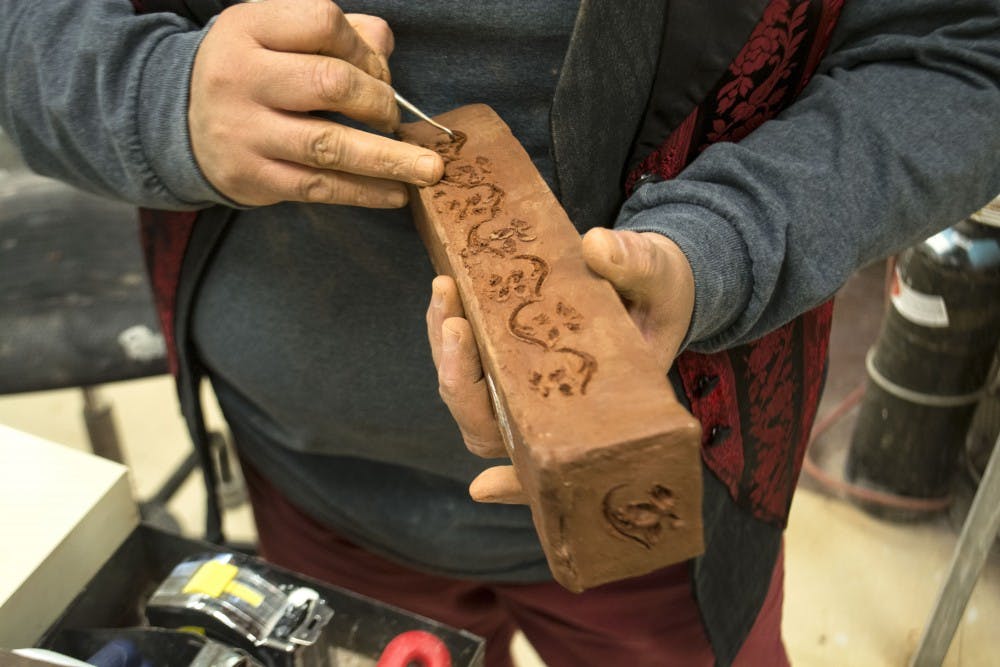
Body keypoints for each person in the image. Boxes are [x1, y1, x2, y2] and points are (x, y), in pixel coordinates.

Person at [2, 0, 999, 664]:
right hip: (308, 467)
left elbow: (963, 49)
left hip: (671, 498)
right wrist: (156, 100)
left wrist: (723, 246)